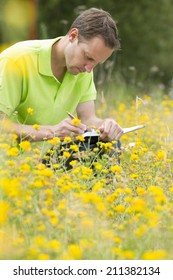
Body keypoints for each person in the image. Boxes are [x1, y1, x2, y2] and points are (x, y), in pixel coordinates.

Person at [0, 8, 123, 146]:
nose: (89, 69)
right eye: (88, 57)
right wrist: (51, 132)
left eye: (96, 63)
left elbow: (88, 119)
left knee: (110, 144)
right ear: (73, 36)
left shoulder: (83, 69)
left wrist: (105, 126)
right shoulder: (17, 60)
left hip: (51, 160)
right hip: (10, 160)